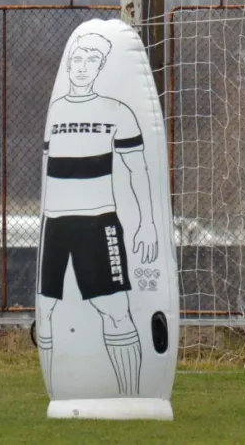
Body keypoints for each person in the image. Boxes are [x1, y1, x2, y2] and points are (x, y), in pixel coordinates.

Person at [38, 32, 159, 397]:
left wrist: (148, 224)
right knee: (46, 312)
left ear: (101, 67)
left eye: (92, 60)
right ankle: (61, 393)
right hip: (54, 225)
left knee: (115, 309)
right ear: (69, 62)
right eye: (77, 59)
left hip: (98, 223)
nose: (82, 67)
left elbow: (139, 170)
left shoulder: (117, 112)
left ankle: (130, 397)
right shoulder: (57, 110)